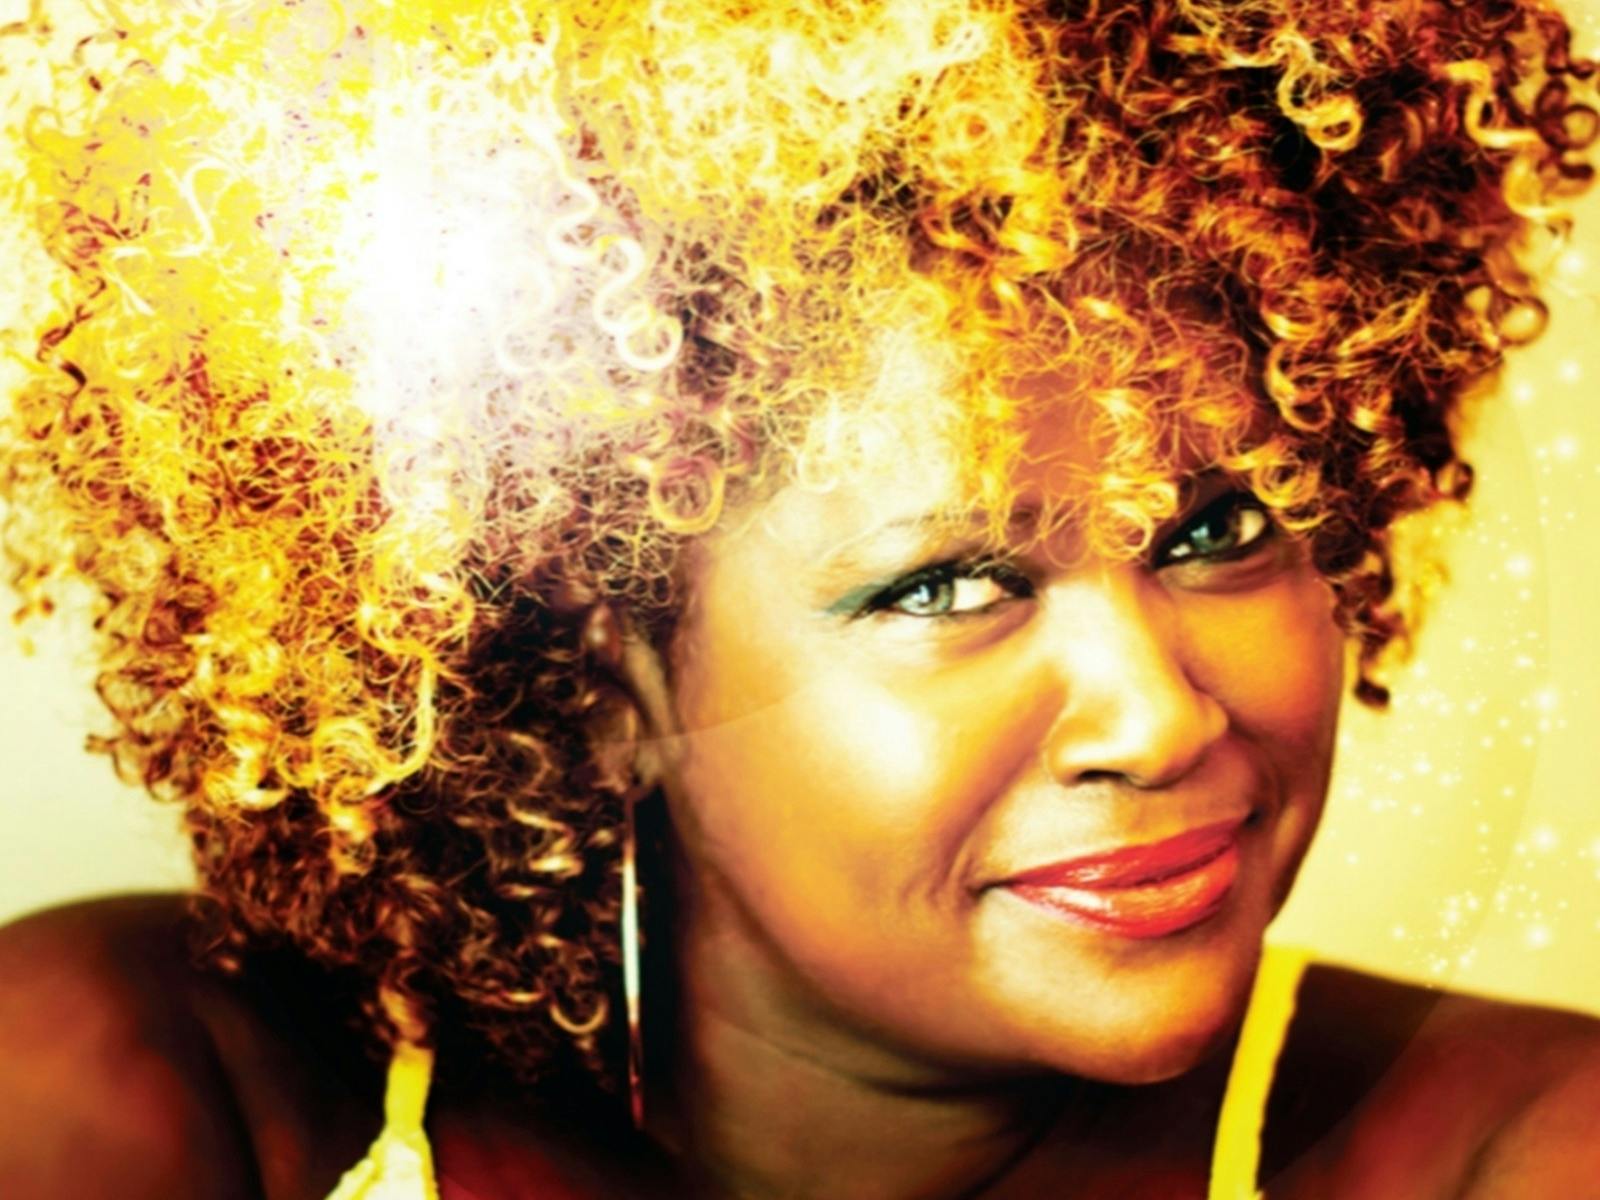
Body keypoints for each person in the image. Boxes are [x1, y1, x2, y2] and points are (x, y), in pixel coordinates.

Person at [1, 0, 1598, 1197]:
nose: (1158, 715)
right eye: (951, 583)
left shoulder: (1526, 1149)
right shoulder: (144, 1093)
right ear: (603, 682)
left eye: (1221, 529)